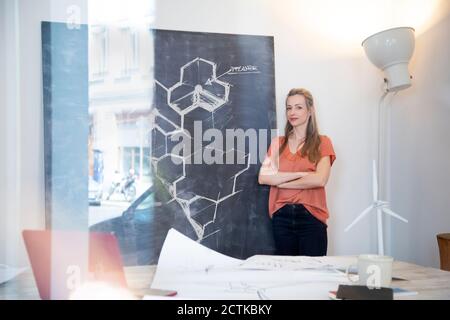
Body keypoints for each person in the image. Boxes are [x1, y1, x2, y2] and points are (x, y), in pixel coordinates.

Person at [258, 88, 336, 256]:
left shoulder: (323, 142)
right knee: (287, 274)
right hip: (282, 216)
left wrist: (279, 181)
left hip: (311, 216)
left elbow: (320, 180)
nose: (292, 112)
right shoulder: (278, 143)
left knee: (314, 273)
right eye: (289, 107)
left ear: (310, 111)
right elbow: (263, 178)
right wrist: (300, 175)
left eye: (299, 107)